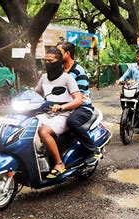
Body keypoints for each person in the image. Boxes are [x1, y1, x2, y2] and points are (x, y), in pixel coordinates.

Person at [34, 47, 83, 179]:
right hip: (47, 113)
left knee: (43, 131)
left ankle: (59, 163)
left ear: (59, 61)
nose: (47, 64)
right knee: (27, 126)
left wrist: (62, 107)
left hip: (64, 115)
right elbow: (36, 94)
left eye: (50, 61)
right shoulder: (44, 78)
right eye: (45, 61)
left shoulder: (68, 78)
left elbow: (78, 100)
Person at [57, 41, 102, 165]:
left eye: (58, 52)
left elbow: (79, 98)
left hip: (82, 107)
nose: (55, 55)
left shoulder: (78, 71)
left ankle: (93, 150)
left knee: (72, 121)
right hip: (64, 106)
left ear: (67, 54)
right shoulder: (58, 70)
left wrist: (62, 106)